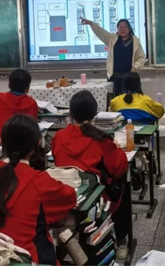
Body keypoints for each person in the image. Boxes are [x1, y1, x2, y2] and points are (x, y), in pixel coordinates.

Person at [0, 115, 76, 264]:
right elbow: (69, 197)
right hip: (27, 260)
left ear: (1, 141)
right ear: (37, 143)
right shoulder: (39, 181)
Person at [51, 90, 130, 259]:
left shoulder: (59, 137)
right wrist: (117, 150)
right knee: (122, 185)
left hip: (64, 195)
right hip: (95, 200)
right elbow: (118, 167)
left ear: (71, 112)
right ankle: (121, 241)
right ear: (95, 113)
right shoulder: (101, 139)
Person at [80, 17, 146, 95]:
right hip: (113, 78)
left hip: (128, 78)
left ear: (129, 28)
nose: (122, 29)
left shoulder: (135, 42)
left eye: (125, 27)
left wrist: (135, 67)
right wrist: (91, 23)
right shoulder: (112, 39)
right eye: (120, 27)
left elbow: (142, 57)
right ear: (117, 28)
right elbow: (101, 32)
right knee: (113, 99)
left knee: (128, 99)